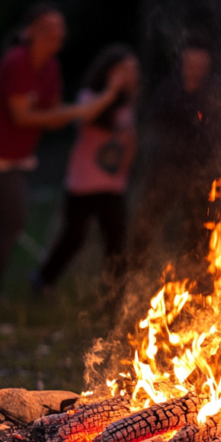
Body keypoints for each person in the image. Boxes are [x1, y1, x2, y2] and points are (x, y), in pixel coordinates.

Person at [0, 2, 112, 303]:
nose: (56, 34)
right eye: (48, 28)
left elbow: (54, 116)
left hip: (18, 159)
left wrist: (79, 110)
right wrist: (73, 111)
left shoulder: (51, 68)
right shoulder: (17, 61)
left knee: (3, 222)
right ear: (30, 32)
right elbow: (21, 116)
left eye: (60, 28)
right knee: (11, 218)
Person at [32, 45, 139, 302]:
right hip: (83, 182)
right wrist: (111, 91)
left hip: (112, 185)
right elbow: (87, 117)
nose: (131, 75)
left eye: (133, 70)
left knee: (116, 240)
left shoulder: (127, 106)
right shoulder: (89, 97)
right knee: (74, 236)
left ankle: (115, 294)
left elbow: (129, 142)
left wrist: (125, 171)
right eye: (124, 70)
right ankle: (43, 280)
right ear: (109, 72)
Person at [130, 40, 214, 274]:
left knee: (198, 223)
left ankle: (193, 269)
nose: (195, 68)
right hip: (165, 169)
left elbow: (218, 128)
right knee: (147, 218)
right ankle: (136, 266)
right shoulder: (169, 90)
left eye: (200, 64)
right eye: (191, 63)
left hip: (197, 169)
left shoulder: (211, 93)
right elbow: (155, 126)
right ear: (184, 63)